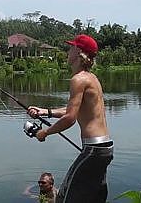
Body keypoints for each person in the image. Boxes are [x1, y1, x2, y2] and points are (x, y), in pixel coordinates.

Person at [27, 34, 114, 203]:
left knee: (65, 197)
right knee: (96, 197)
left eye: (71, 47)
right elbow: (74, 110)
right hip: (104, 148)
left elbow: (70, 119)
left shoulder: (78, 79)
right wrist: (45, 112)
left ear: (79, 52)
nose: (68, 50)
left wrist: (45, 132)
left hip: (93, 150)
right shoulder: (91, 78)